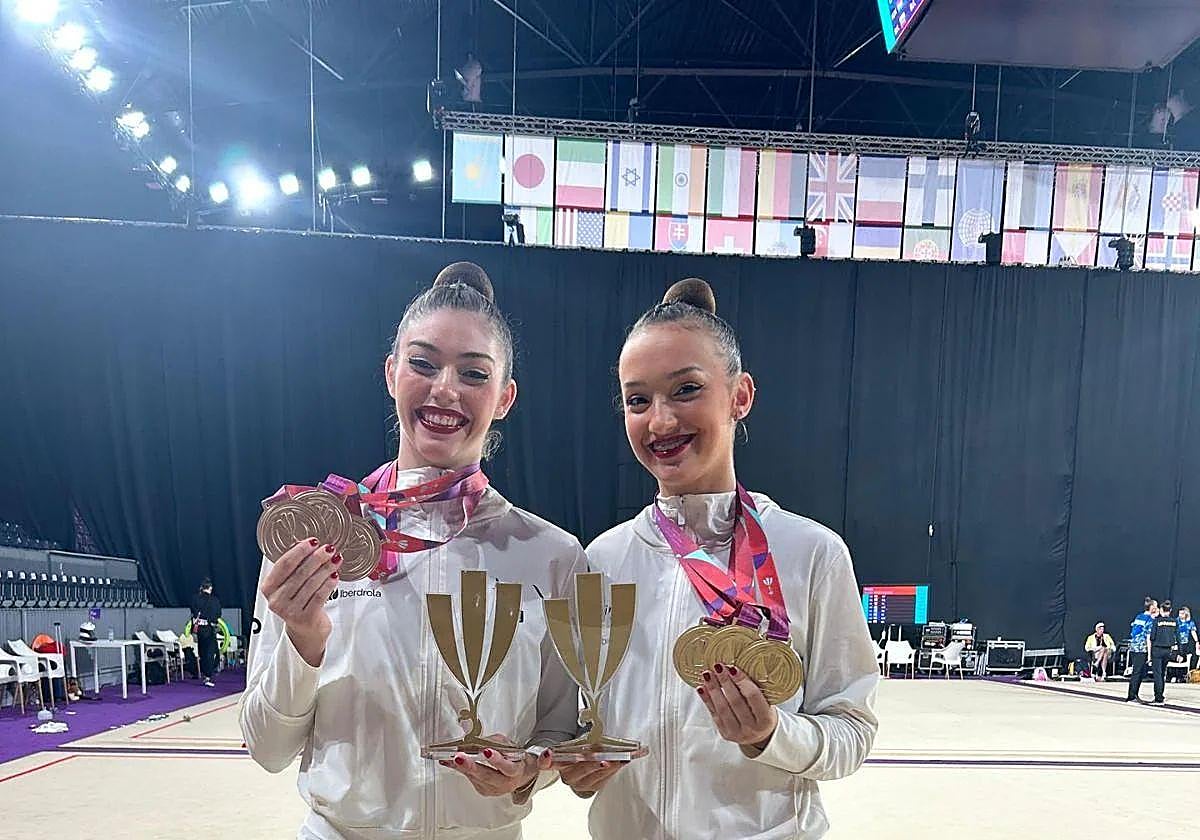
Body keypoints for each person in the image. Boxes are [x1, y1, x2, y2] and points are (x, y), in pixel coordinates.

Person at [240, 263, 584, 840]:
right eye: (423, 363)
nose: (445, 388)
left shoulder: (549, 555)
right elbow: (267, 749)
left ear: (504, 397)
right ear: (391, 372)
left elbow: (556, 729)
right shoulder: (314, 538)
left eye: (474, 374)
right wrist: (302, 641)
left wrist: (525, 773)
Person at [561, 278, 879, 839]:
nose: (659, 422)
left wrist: (770, 736)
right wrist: (580, 767)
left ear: (740, 396)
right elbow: (584, 726)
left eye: (686, 389)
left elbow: (850, 734)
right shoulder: (602, 559)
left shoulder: (813, 553)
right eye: (638, 400)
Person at [190, 577, 222, 687]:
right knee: (210, 652)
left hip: (198, 628)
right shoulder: (214, 600)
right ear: (210, 588)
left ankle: (204, 673)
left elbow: (193, 611)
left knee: (202, 652)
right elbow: (217, 614)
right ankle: (208, 674)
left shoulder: (195, 598)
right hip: (209, 628)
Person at [1148, 600, 1180, 704]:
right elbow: (1177, 637)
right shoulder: (1174, 621)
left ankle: (1158, 697)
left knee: (1157, 674)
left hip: (1157, 649)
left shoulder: (1157, 621)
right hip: (1168, 650)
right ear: (1170, 610)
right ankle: (1161, 694)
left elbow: (1152, 636)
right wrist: (1178, 652)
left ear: (1161, 610)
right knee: (1162, 674)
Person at [1126, 599, 1156, 702]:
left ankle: (1133, 693)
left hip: (1133, 646)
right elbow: (1148, 637)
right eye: (1155, 606)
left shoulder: (1139, 616)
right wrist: (1149, 655)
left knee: (1137, 671)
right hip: (1141, 648)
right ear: (1151, 607)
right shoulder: (1149, 620)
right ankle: (1132, 695)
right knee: (1137, 672)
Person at [1177, 606, 1199, 673]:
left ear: (1186, 614)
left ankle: (1191, 672)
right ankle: (1177, 675)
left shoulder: (1190, 622)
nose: (1180, 615)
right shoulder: (1176, 621)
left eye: (1182, 613)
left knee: (1194, 655)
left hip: (1187, 643)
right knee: (1180, 656)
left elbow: (1193, 632)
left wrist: (1197, 641)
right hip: (1178, 643)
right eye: (1179, 613)